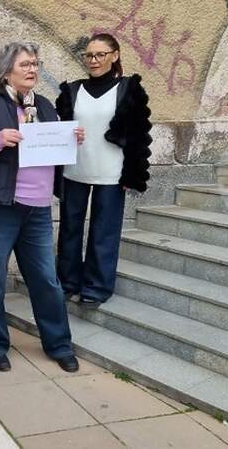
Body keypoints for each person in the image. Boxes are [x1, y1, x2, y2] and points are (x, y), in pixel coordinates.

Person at [0, 41, 82, 373]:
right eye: (25, 64)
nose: (32, 70)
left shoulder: (45, 106)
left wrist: (71, 139)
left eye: (36, 64)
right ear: (6, 71)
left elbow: (53, 151)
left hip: (37, 209)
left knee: (46, 280)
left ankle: (59, 345)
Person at [55, 33, 152, 308]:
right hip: (74, 170)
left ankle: (96, 287)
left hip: (112, 173)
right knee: (69, 229)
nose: (93, 60)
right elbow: (58, 128)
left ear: (115, 56)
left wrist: (134, 173)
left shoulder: (128, 89)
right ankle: (67, 282)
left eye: (100, 55)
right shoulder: (72, 90)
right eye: (89, 55)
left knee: (104, 231)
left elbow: (138, 134)